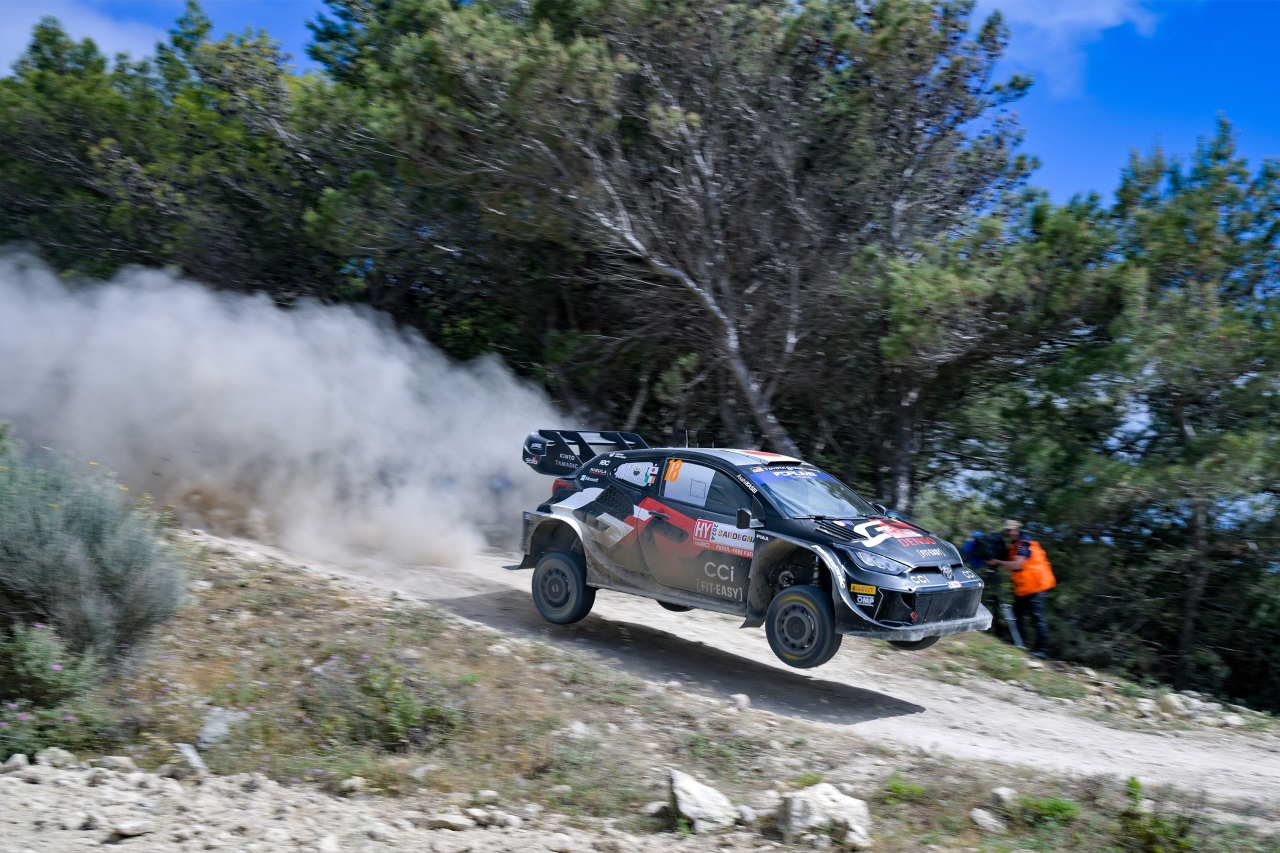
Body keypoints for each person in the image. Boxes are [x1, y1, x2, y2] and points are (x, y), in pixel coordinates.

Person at [985, 519, 1056, 659]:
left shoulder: (1024, 544)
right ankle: (1019, 642)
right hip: (1026, 587)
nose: (1007, 533)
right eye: (1006, 530)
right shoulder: (1016, 545)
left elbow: (1018, 564)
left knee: (1037, 618)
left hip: (1037, 586)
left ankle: (1043, 651)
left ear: (1017, 530)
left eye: (1009, 530)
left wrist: (997, 562)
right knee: (1017, 614)